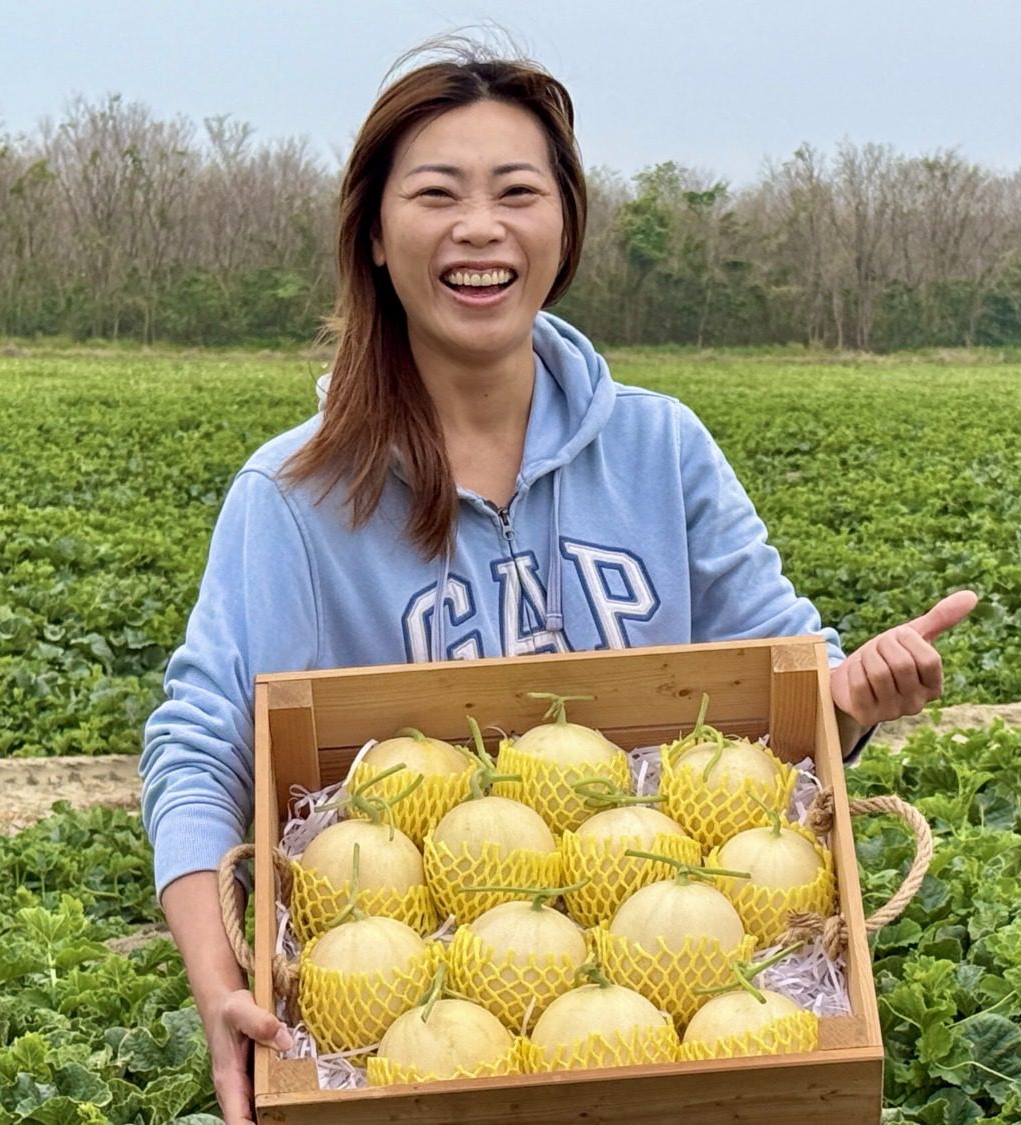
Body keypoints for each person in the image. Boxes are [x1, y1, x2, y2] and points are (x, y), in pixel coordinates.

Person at [139, 43, 976, 1125]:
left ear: (565, 231)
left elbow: (781, 676)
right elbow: (200, 747)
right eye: (436, 194)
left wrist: (850, 698)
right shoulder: (294, 498)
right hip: (411, 1050)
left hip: (670, 1032)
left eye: (517, 192)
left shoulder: (660, 449)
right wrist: (219, 982)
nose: (478, 227)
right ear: (377, 241)